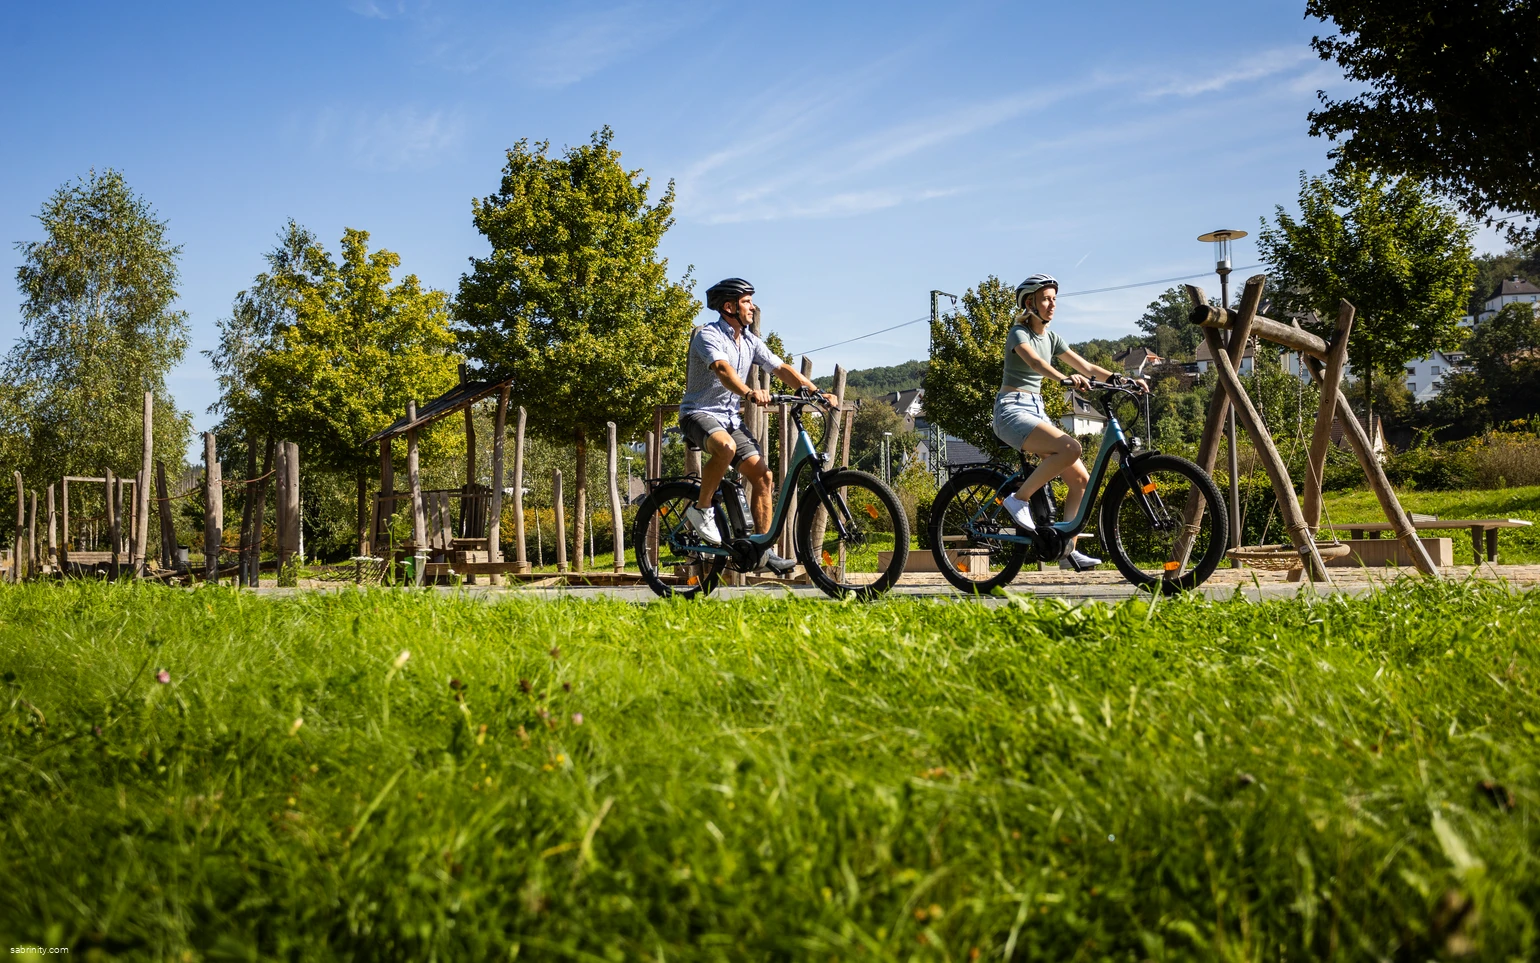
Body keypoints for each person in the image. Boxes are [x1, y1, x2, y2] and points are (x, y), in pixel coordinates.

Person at [679, 277, 838, 574]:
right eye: (747, 302)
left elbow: (780, 368)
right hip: (698, 413)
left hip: (728, 419)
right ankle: (701, 510)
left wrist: (816, 392)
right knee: (725, 448)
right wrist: (749, 392)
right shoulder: (708, 335)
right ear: (729, 306)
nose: (753, 307)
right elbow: (723, 370)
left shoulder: (750, 341)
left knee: (763, 477)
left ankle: (761, 550)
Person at [993, 273, 1147, 571]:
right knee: (1071, 448)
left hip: (1035, 409)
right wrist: (1064, 378)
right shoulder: (1019, 334)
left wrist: (1121, 378)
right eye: (1046, 299)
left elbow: (1087, 366)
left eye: (1054, 299)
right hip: (1012, 409)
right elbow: (1036, 363)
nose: (1052, 305)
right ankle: (1018, 499)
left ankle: (1066, 551)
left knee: (1081, 481)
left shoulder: (1052, 338)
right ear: (1030, 303)